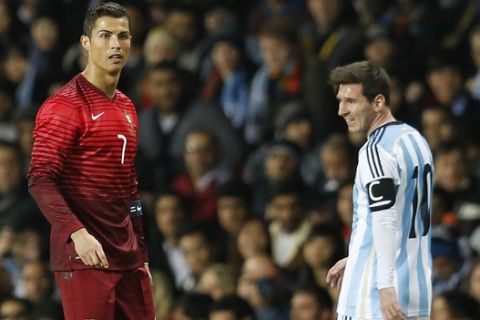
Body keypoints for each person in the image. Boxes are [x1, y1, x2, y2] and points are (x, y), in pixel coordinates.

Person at [27, 2, 155, 319]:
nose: (115, 44)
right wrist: (77, 233)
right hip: (83, 257)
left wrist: (141, 250)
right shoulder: (65, 106)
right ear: (86, 43)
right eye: (105, 35)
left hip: (128, 258)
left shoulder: (127, 107)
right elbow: (40, 178)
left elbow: (130, 188)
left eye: (123, 36)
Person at [326, 61, 434, 320]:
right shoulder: (415, 140)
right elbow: (402, 212)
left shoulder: (376, 151)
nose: (341, 111)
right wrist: (356, 256)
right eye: (340, 101)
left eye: (351, 101)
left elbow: (385, 219)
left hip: (374, 296)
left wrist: (384, 286)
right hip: (415, 288)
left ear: (378, 102)